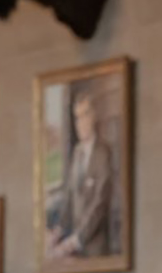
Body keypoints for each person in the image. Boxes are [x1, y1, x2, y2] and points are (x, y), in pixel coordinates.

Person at [49, 91, 114, 259]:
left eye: (85, 115)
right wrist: (58, 231)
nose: (81, 123)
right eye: (77, 117)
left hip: (95, 247)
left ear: (94, 117)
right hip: (77, 250)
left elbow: (99, 203)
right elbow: (70, 198)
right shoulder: (77, 153)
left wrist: (74, 241)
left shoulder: (103, 153)